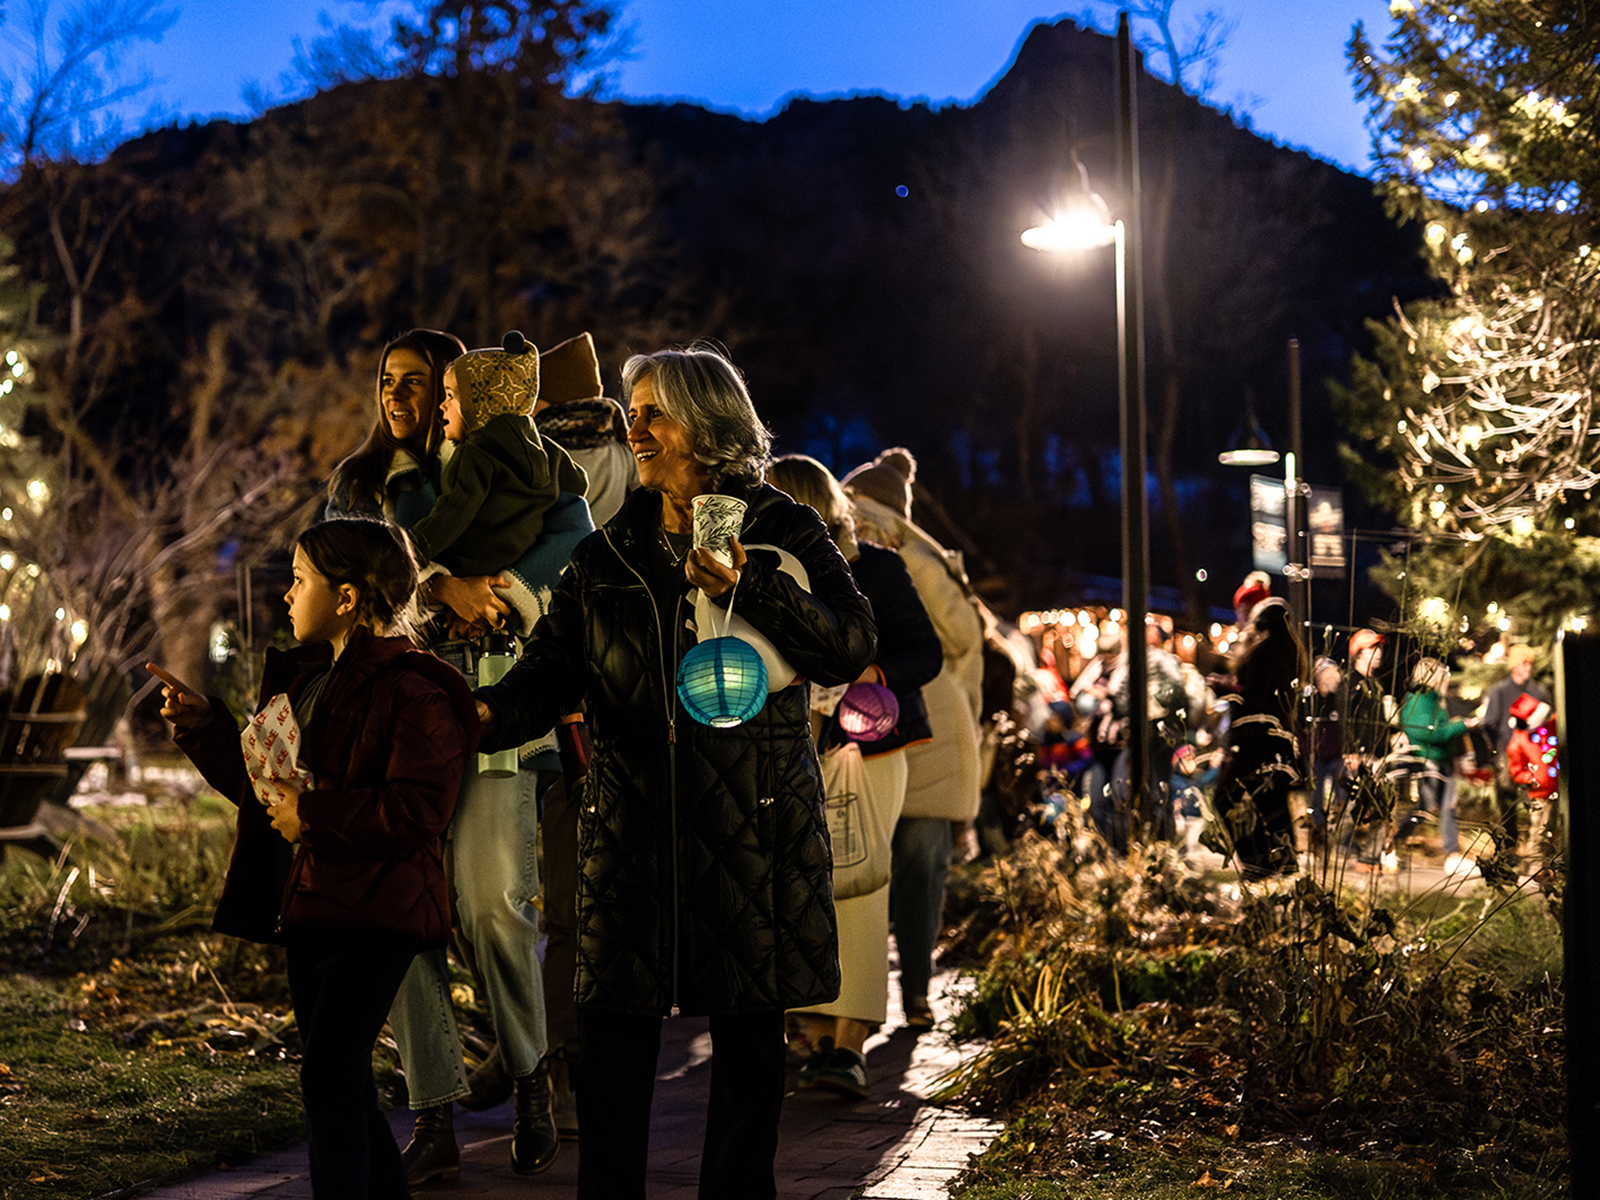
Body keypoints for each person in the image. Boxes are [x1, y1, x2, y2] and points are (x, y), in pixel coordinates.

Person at [474, 345, 876, 1200]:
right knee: (613, 1049)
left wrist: (755, 584)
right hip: (631, 829)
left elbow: (849, 640)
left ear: (710, 425)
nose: (637, 429)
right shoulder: (609, 551)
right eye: (635, 410)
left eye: (654, 411)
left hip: (751, 828)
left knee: (745, 1054)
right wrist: (481, 715)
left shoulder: (780, 527)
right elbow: (551, 671)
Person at [328, 329, 592, 1184]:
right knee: (405, 919)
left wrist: (506, 592)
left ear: (456, 390)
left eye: (419, 381)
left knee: (492, 905)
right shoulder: (361, 485)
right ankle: (432, 1109)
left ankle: (529, 1083)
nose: (398, 395)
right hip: (392, 723)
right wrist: (441, 585)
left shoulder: (525, 458)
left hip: (492, 715)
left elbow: (573, 551)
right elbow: (349, 582)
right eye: (386, 380)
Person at [149, 519, 479, 1200]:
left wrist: (316, 818)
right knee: (343, 1076)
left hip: (381, 907)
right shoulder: (309, 682)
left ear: (349, 596)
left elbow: (421, 807)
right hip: (314, 902)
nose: (287, 596)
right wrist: (203, 724)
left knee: (329, 1071)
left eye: (300, 581)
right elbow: (266, 789)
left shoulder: (416, 688)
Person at [767, 453, 942, 1099]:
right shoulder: (765, 575)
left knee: (860, 883)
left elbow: (926, 651)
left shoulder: (876, 568)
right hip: (792, 747)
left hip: (867, 745)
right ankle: (813, 1028)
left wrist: (874, 674)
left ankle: (849, 1041)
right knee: (797, 884)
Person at [845, 446, 983, 1032]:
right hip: (927, 728)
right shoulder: (918, 557)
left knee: (863, 864)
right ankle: (912, 994)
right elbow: (964, 638)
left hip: (866, 716)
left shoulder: (862, 540)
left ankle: (857, 1004)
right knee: (919, 867)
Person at [408, 331, 588, 608]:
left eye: (450, 396)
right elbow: (578, 482)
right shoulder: (541, 445)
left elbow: (454, 511)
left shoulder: (476, 451)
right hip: (516, 560)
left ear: (477, 403)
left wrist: (410, 549)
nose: (442, 406)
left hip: (471, 564)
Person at [1212, 598, 1306, 879]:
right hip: (1279, 738)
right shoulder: (1293, 654)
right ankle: (1285, 867)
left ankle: (1256, 864)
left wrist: (1224, 688)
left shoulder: (1263, 653)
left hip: (1254, 737)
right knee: (1272, 803)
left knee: (1226, 797)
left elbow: (1253, 698)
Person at [535, 330, 640, 526]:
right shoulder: (623, 453)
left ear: (553, 400)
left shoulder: (541, 454)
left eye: (535, 399)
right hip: (613, 554)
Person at [1479, 644, 1551, 866]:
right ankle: (1509, 853)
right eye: (1523, 662)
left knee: (1538, 804)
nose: (1527, 667)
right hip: (1507, 756)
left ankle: (1534, 852)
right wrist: (1497, 750)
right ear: (1514, 665)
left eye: (1529, 663)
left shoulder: (1538, 692)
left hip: (1534, 757)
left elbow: (1549, 722)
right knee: (1506, 804)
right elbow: (1489, 723)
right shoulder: (1499, 691)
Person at [1395, 657, 1470, 859]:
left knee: (1447, 806)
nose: (1443, 678)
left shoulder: (1434, 699)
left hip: (1441, 759)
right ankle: (1394, 842)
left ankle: (1452, 851)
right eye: (1439, 674)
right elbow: (1430, 732)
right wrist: (1461, 725)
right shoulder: (1418, 699)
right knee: (1426, 807)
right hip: (1427, 761)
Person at [1338, 628, 1394, 869]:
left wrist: (1390, 739)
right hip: (1358, 756)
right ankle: (1332, 847)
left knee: (1381, 805)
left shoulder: (1375, 685)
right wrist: (1349, 750)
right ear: (1358, 653)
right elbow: (1343, 719)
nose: (1378, 653)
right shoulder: (1350, 683)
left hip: (1376, 755)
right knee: (1354, 807)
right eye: (1372, 649)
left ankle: (1369, 858)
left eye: (1379, 648)